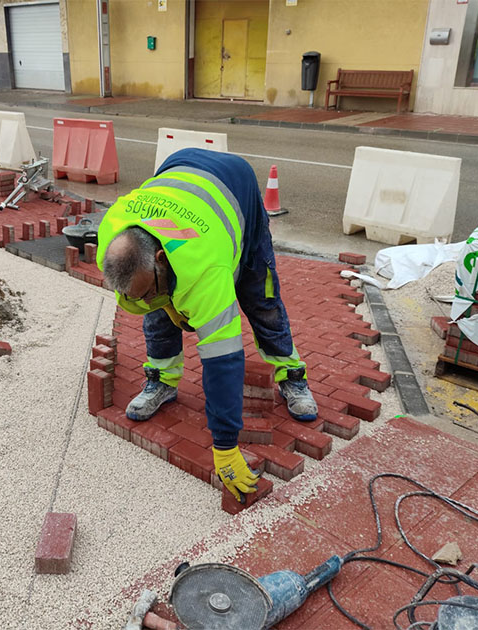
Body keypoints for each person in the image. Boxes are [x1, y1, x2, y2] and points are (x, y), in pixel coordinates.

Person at [96, 148, 318, 504]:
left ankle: (291, 374)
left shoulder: (207, 268)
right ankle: (162, 380)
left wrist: (225, 445)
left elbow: (223, 359)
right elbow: (141, 292)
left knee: (261, 301)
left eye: (147, 291)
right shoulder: (112, 235)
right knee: (157, 309)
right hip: (178, 168)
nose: (143, 300)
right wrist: (162, 301)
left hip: (237, 188)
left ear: (160, 259)